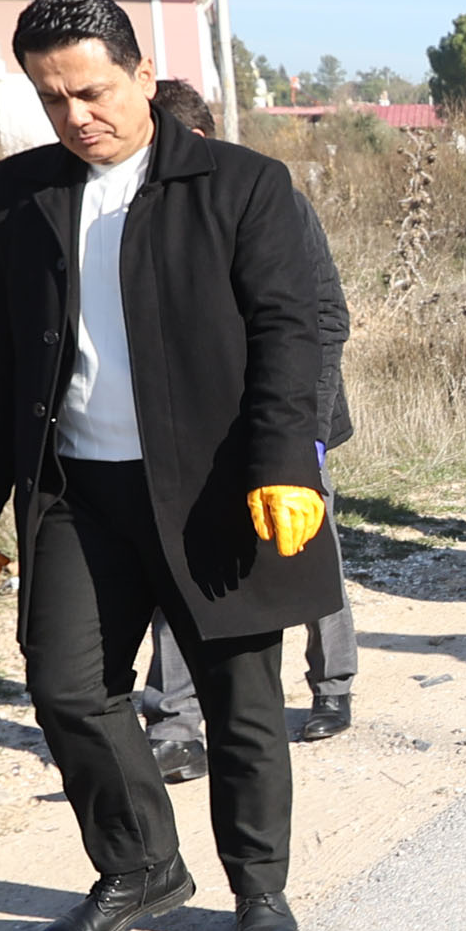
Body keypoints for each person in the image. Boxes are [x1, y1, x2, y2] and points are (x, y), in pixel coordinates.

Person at [0, 0, 336, 931]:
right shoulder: (21, 190)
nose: (75, 114)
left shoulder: (240, 183)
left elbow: (294, 331)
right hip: (77, 490)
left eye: (90, 90)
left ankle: (259, 888)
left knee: (239, 697)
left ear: (140, 76)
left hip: (211, 488)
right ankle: (140, 865)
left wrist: (285, 462)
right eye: (51, 98)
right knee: (68, 686)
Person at [137, 80, 360, 774]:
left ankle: (333, 687)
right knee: (178, 567)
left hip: (286, 420)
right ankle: (174, 719)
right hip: (188, 427)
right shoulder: (139, 207)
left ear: (200, 140)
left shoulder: (273, 197)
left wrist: (306, 437)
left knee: (306, 555)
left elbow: (325, 318)